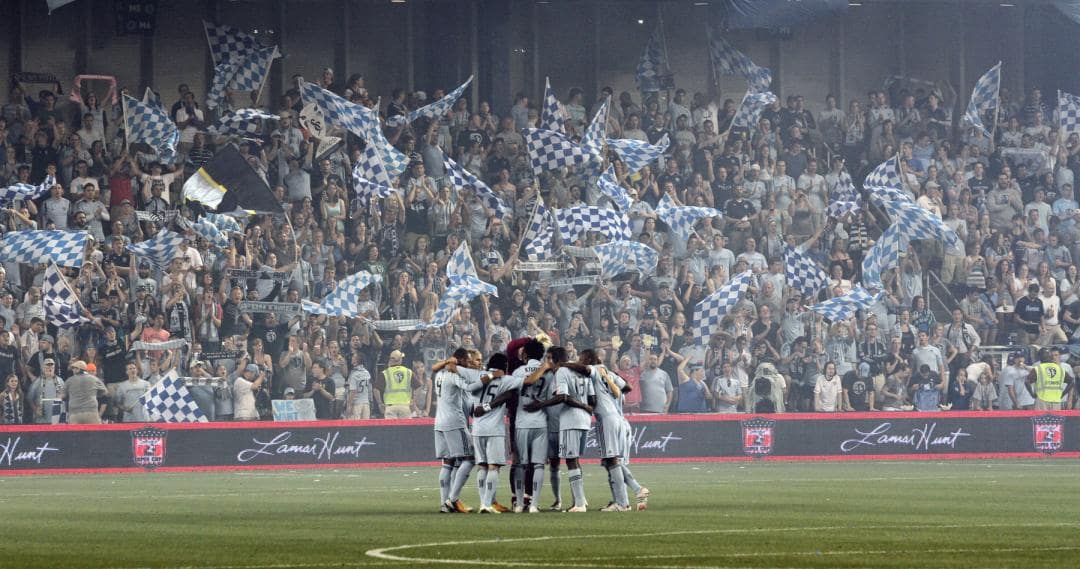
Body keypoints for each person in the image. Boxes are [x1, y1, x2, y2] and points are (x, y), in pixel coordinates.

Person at [525, 346, 594, 512]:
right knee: (575, 459)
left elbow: (562, 396)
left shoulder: (562, 371)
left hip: (570, 419)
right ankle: (581, 500)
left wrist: (540, 405)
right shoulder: (583, 373)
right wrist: (585, 406)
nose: (547, 362)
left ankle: (578, 504)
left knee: (570, 460)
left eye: (549, 358)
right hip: (585, 419)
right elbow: (592, 399)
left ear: (555, 359)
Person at [376, 350, 417, 419]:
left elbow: (376, 389)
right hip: (405, 406)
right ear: (400, 360)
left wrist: (380, 403)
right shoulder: (408, 372)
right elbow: (417, 387)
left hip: (390, 406)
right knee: (406, 429)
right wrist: (413, 401)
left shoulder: (385, 373)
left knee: (391, 429)